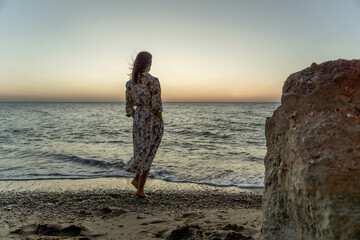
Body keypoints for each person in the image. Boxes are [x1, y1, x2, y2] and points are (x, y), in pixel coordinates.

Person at [124, 51, 164, 198]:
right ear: (149, 64)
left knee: (141, 151)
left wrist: (138, 116)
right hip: (151, 120)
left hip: (138, 120)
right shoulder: (153, 81)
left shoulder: (130, 83)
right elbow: (156, 105)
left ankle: (138, 183)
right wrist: (159, 120)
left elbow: (128, 108)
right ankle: (139, 188)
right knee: (148, 153)